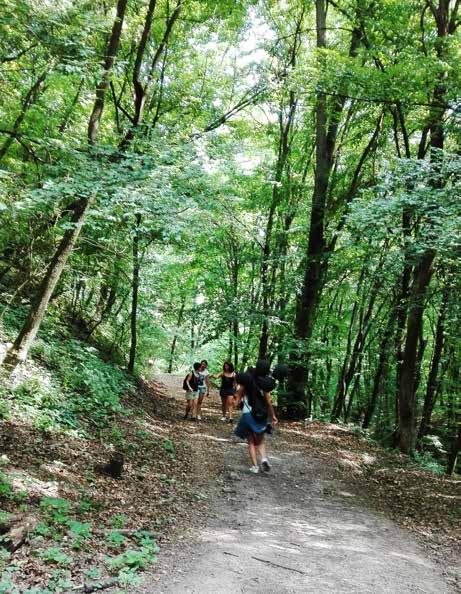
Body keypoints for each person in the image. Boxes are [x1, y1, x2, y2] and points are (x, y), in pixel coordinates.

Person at [234, 360, 278, 474]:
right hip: (261, 414)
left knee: (251, 442)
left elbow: (237, 399)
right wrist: (273, 415)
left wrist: (237, 402)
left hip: (248, 413)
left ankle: (255, 466)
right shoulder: (265, 384)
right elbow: (268, 402)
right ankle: (264, 459)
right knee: (261, 440)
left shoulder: (246, 382)